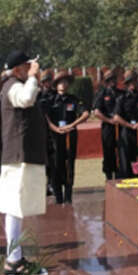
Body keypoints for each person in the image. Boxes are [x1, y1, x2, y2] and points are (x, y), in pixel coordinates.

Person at [0, 50, 48, 275]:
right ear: (17, 70)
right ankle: (13, 261)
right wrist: (33, 77)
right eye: (27, 66)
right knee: (14, 208)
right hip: (18, 157)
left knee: (15, 208)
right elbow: (26, 99)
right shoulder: (13, 86)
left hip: (19, 156)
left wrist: (34, 79)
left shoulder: (15, 84)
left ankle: (15, 257)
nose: (30, 69)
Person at [45, 70, 89, 204]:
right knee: (55, 166)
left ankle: (68, 196)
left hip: (70, 137)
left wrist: (72, 124)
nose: (63, 84)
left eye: (65, 82)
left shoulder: (73, 100)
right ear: (56, 85)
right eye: (60, 82)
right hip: (55, 138)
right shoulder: (50, 100)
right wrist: (55, 128)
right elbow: (45, 116)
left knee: (69, 165)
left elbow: (85, 114)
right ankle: (58, 197)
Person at [93, 69, 122, 180]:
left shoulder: (121, 93)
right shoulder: (102, 94)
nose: (112, 82)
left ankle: (121, 174)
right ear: (106, 81)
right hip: (108, 127)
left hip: (121, 127)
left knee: (122, 151)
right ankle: (109, 176)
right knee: (108, 151)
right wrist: (109, 120)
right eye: (109, 80)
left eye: (113, 79)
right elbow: (96, 112)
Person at [37, 69, 56, 196]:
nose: (47, 83)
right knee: (42, 160)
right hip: (40, 131)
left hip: (53, 131)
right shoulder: (37, 95)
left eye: (48, 81)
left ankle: (52, 184)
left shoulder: (55, 95)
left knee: (53, 159)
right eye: (44, 81)